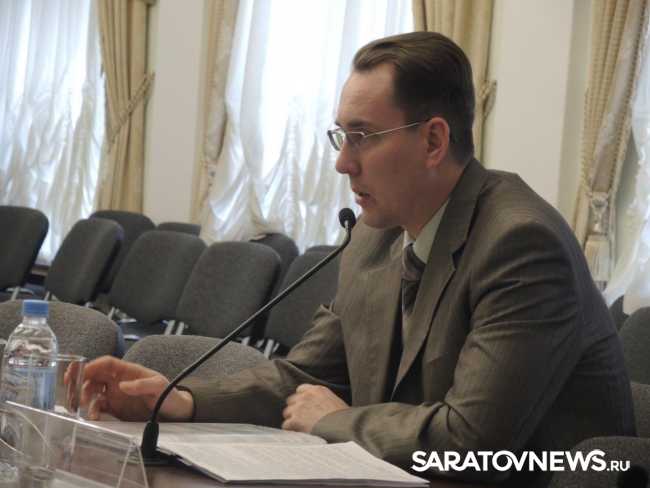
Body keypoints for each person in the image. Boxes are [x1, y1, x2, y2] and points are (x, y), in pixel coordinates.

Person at [82, 32, 635, 487]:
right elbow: (305, 375)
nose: (343, 163)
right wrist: (180, 400)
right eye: (340, 137)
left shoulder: (522, 244)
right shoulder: (375, 237)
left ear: (434, 141)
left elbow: (473, 445)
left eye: (363, 137)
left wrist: (336, 421)